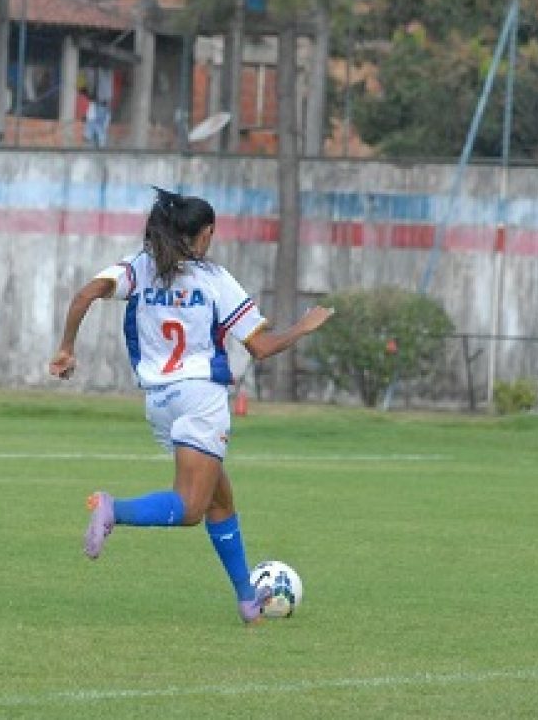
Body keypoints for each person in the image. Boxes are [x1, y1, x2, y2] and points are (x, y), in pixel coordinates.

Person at [48, 187, 334, 624]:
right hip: (201, 397)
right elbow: (261, 347)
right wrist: (304, 327)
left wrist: (67, 348)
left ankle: (247, 601)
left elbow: (84, 295)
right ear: (205, 234)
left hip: (160, 403)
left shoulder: (139, 267)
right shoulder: (215, 279)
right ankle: (113, 508)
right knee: (189, 508)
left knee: (220, 501)